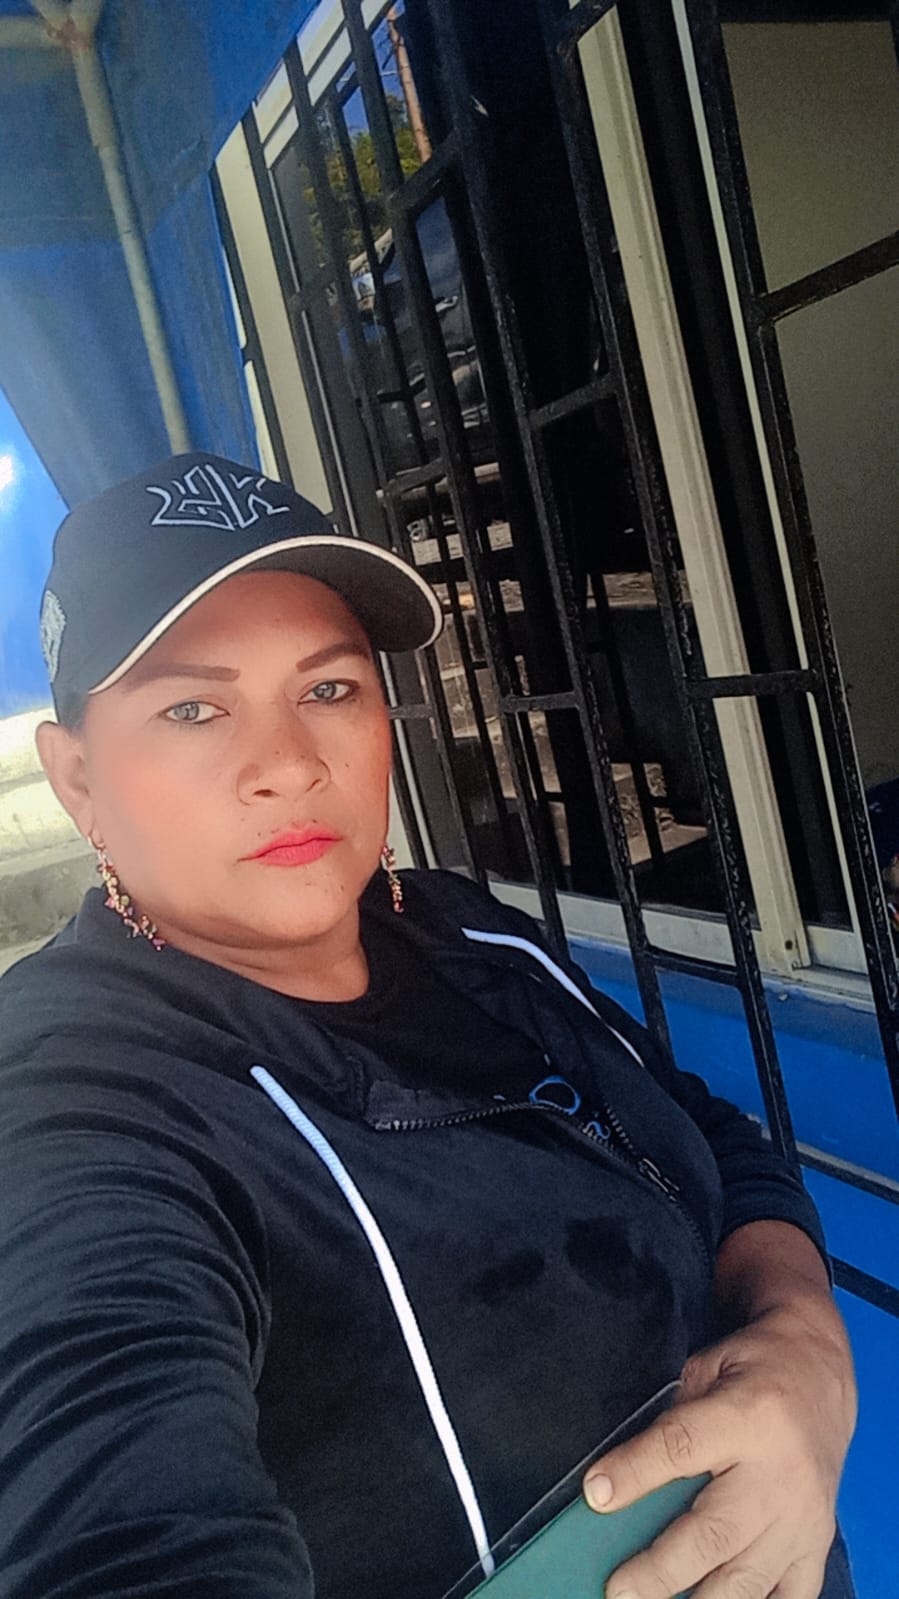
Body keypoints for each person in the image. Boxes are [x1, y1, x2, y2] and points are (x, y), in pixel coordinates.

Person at [0, 454, 856, 1599]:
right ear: (77, 780)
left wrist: (804, 1343)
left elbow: (705, 1135)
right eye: (192, 708)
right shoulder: (76, 1094)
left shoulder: (461, 928)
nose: (288, 765)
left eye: (328, 689)